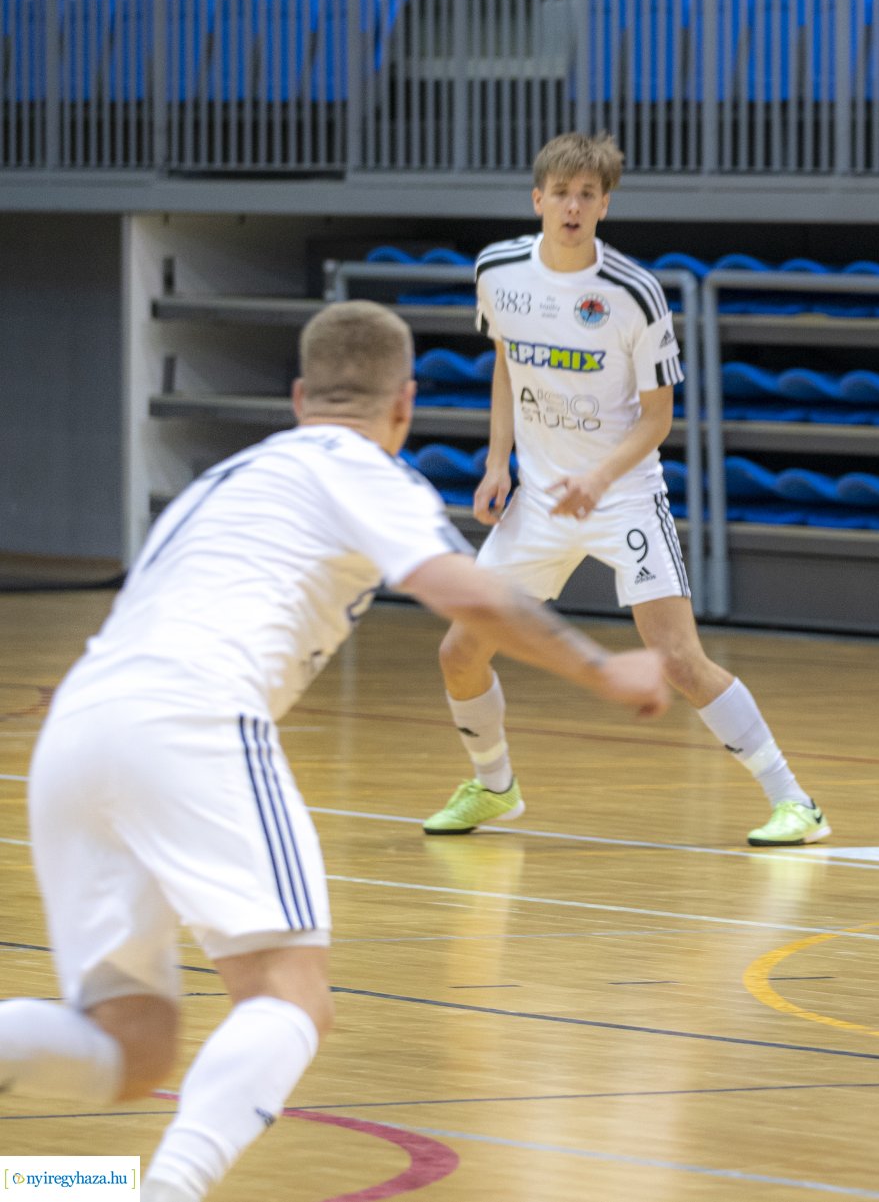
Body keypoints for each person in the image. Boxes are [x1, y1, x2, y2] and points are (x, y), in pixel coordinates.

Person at [0, 303, 671, 1202]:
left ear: (297, 397)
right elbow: (460, 590)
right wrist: (600, 668)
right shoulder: (366, 468)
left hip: (78, 727)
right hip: (196, 715)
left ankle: (43, 1190)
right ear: (405, 404)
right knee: (290, 995)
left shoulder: (224, 476)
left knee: (130, 1048)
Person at [424, 132, 828, 847]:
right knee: (459, 650)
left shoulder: (634, 294)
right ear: (537, 198)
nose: (572, 206)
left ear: (605, 203)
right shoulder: (498, 271)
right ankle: (494, 786)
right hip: (541, 500)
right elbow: (506, 366)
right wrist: (497, 462)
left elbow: (658, 416)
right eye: (561, 192)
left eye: (587, 194)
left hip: (623, 496)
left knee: (677, 659)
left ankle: (795, 800)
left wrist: (600, 476)